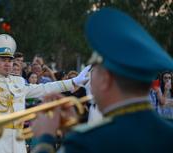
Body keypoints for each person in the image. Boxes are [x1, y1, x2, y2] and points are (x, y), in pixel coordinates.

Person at [31, 8, 173, 153]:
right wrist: (72, 131)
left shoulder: (87, 143)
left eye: (94, 71)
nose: (91, 80)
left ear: (105, 79)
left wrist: (45, 139)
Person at [0, 34, 89, 153]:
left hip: (17, 141)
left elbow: (44, 88)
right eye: (3, 60)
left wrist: (72, 82)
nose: (8, 63)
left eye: (10, 60)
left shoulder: (19, 81)